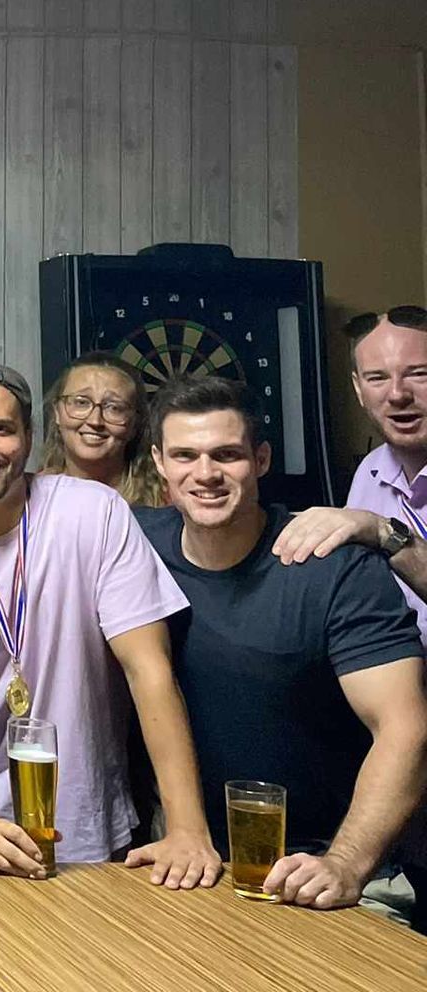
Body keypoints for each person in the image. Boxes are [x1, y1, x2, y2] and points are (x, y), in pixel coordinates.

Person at [0, 362, 220, 886]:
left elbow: (149, 669)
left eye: (1, 428)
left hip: (93, 818)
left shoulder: (95, 513)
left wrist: (188, 827)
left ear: (30, 436)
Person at [137, 375, 427, 912]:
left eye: (227, 454)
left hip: (330, 870)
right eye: (185, 455)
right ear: (159, 463)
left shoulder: (334, 565)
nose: (205, 474)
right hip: (194, 862)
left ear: (262, 459)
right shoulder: (132, 544)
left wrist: (346, 863)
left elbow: (406, 727)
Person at [273, 307, 427, 639]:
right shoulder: (370, 470)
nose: (398, 394)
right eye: (378, 378)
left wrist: (382, 532)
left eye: (418, 373)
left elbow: (376, 533)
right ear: (358, 388)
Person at [37, 353, 166, 509]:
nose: (95, 421)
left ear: (135, 423)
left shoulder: (168, 501)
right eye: (81, 402)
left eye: (114, 408)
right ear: (57, 412)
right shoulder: (32, 498)